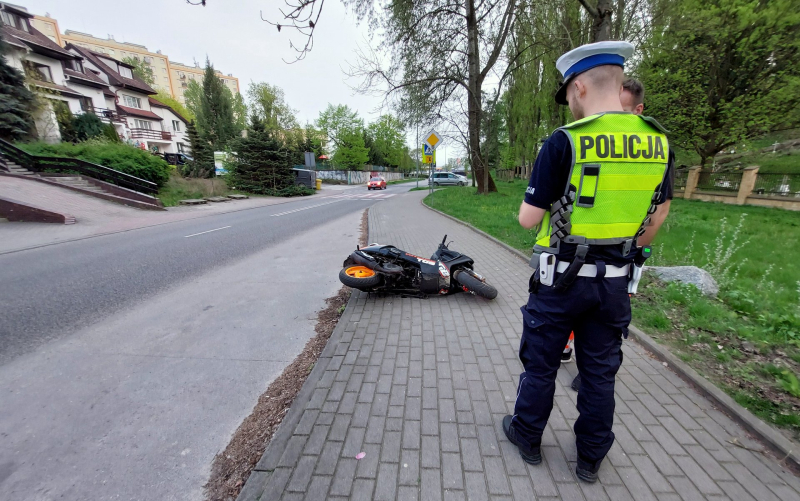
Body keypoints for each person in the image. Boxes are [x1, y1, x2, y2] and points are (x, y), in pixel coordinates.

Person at [501, 41, 674, 483]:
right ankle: (590, 458)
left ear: (578, 86)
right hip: (614, 283)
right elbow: (656, 220)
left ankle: (526, 437)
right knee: (599, 372)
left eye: (569, 95)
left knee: (541, 364)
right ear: (617, 83)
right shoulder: (658, 143)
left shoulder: (566, 141)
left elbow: (527, 221)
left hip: (559, 281)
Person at [569, 76, 670, 392]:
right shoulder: (597, 140)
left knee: (605, 326)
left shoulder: (653, 150)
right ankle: (570, 348)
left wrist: (634, 252)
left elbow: (659, 209)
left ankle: (592, 372)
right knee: (576, 302)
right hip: (585, 251)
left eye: (623, 111)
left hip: (620, 255)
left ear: (639, 109)